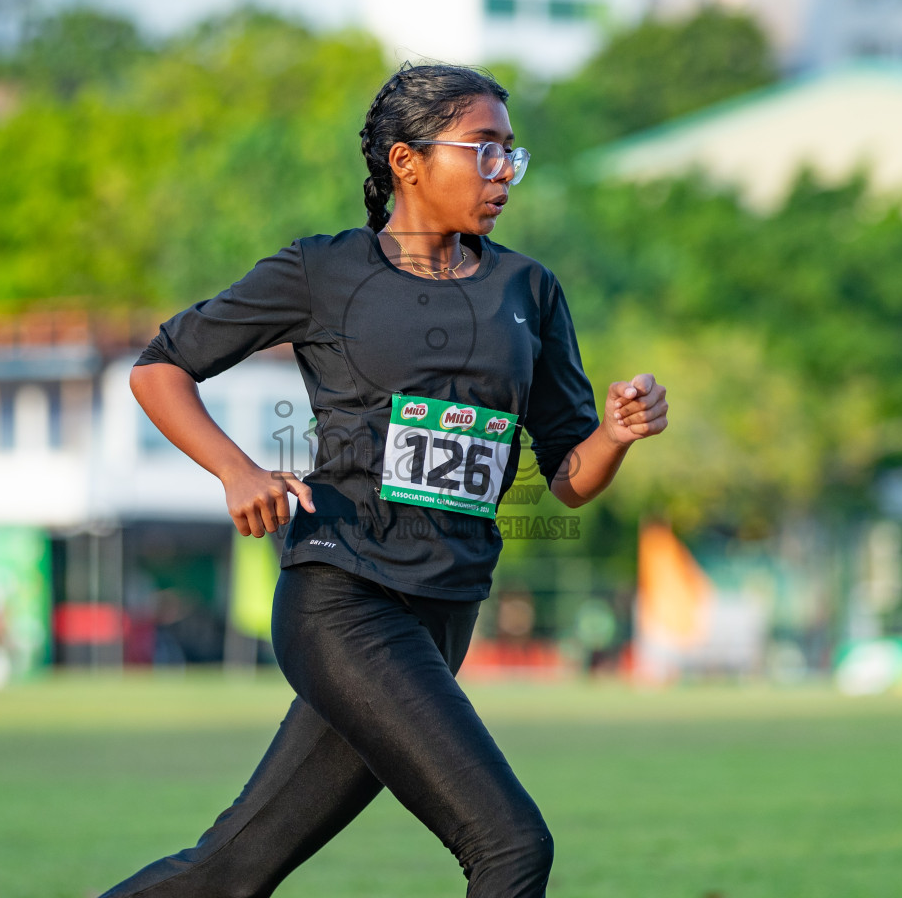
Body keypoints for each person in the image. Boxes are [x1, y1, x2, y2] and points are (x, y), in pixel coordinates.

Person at [101, 63, 668, 898]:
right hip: (343, 596)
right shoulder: (320, 271)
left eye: (511, 153)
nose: (502, 172)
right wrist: (237, 470)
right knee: (511, 847)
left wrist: (615, 434)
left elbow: (569, 480)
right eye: (483, 150)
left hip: (445, 610)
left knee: (232, 871)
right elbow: (160, 369)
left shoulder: (528, 290)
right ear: (406, 161)